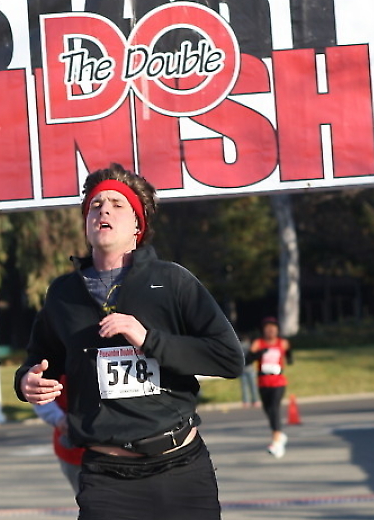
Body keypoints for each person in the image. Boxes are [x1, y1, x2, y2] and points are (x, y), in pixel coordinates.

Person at [15, 163, 244, 520]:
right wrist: (26, 382)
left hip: (180, 467)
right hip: (108, 477)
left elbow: (228, 357)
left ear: (138, 225)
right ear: (86, 224)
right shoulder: (62, 293)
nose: (103, 210)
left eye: (117, 204)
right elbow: (40, 360)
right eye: (95, 205)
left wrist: (149, 340)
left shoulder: (172, 281)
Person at [247, 316, 293, 458]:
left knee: (274, 408)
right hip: (263, 381)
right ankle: (280, 435)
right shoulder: (258, 343)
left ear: (277, 330)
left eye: (273, 329)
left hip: (278, 381)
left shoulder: (282, 343)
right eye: (268, 329)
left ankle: (276, 441)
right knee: (268, 410)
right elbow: (247, 360)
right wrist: (259, 354)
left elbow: (290, 356)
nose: (271, 331)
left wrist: (288, 356)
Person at [34, 375, 84, 494]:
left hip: (115, 447)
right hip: (71, 447)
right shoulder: (54, 366)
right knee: (86, 497)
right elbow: (40, 393)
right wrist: (59, 419)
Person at [239, 332, 260, 408]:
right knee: (253, 386)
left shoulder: (239, 346)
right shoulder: (249, 346)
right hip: (250, 367)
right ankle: (255, 400)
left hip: (242, 368)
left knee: (244, 386)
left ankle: (246, 401)